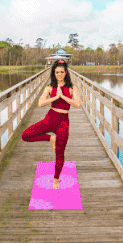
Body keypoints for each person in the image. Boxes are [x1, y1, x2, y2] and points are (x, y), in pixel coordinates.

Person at [21, 60, 82, 189]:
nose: (59, 75)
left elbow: (78, 104)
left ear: (66, 72)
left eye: (61, 72)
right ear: (53, 73)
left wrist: (63, 97)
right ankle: (50, 138)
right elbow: (40, 103)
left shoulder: (72, 88)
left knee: (60, 152)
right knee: (25, 135)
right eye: (56, 72)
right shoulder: (49, 87)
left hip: (63, 122)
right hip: (50, 118)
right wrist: (55, 97)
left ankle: (56, 179)